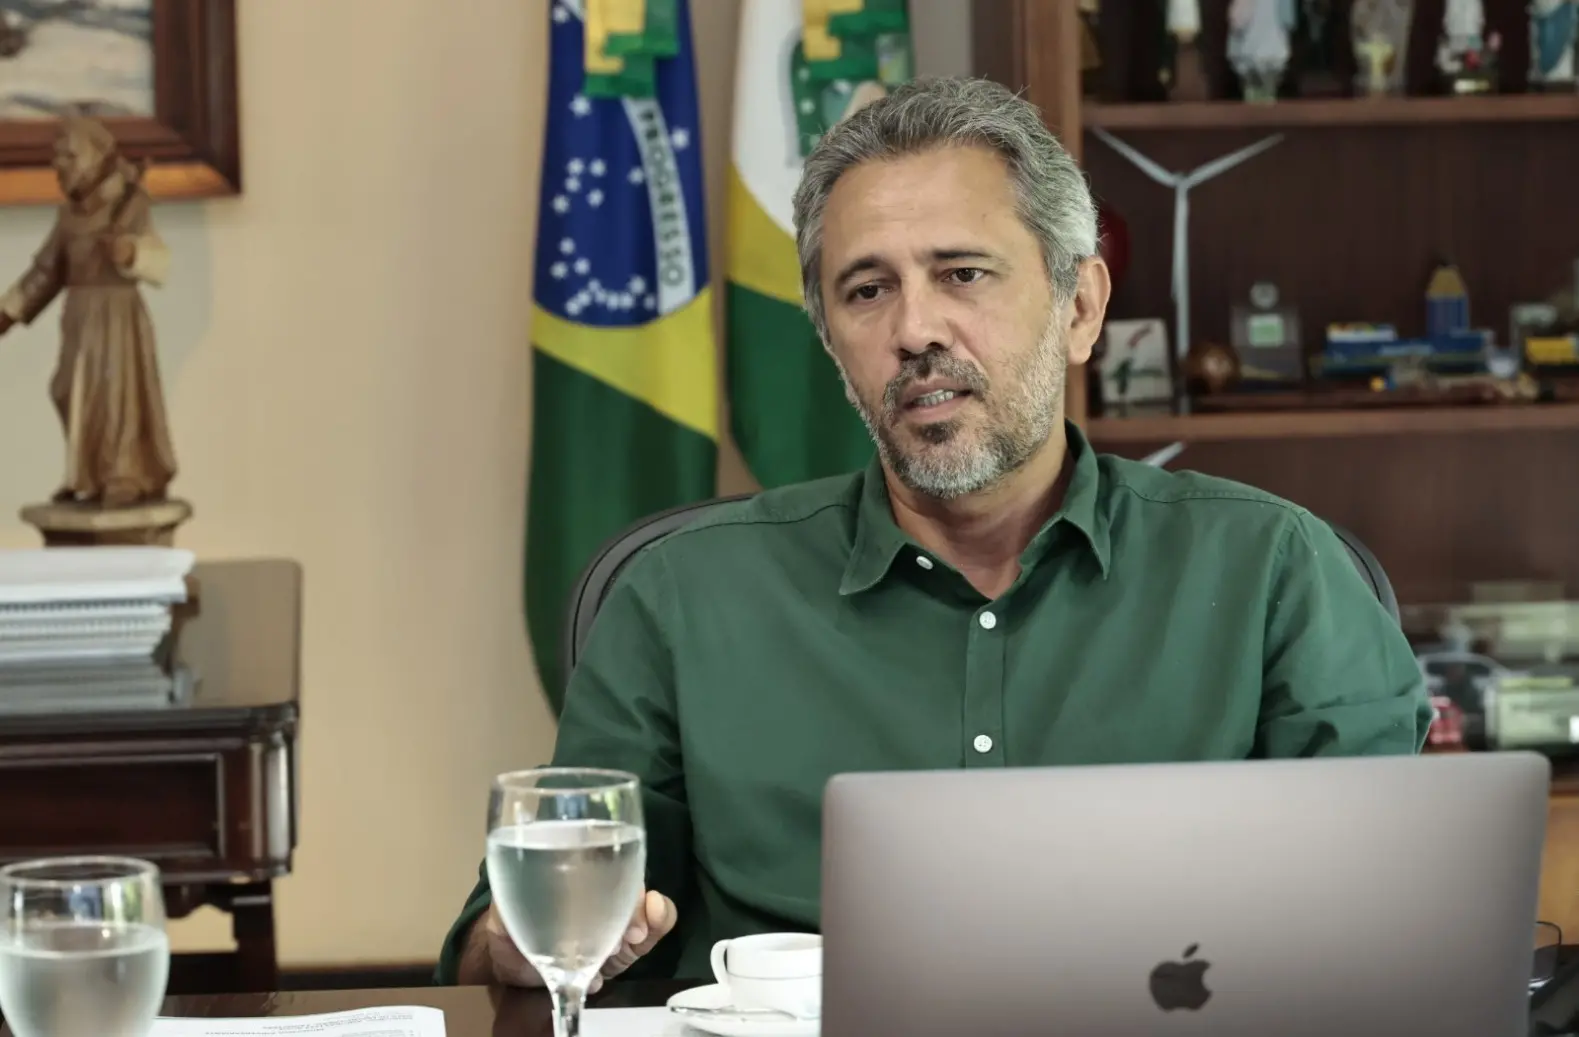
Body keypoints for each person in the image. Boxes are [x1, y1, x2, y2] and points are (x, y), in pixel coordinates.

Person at [438, 76, 1432, 988]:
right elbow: (515, 933)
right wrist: (537, 942)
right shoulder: (680, 595)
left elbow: (1400, 921)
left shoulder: (1273, 570)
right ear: (831, 342)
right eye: (866, 290)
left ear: (1080, 308)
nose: (914, 329)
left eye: (961, 273)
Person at [0, 113, 177, 508]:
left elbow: (159, 261)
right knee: (68, 390)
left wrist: (129, 253)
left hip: (118, 316)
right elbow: (46, 272)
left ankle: (123, 474)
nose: (58, 165)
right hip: (79, 318)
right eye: (56, 156)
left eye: (68, 155)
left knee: (116, 397)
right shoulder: (69, 217)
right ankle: (87, 475)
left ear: (97, 158)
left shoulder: (131, 204)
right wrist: (9, 311)